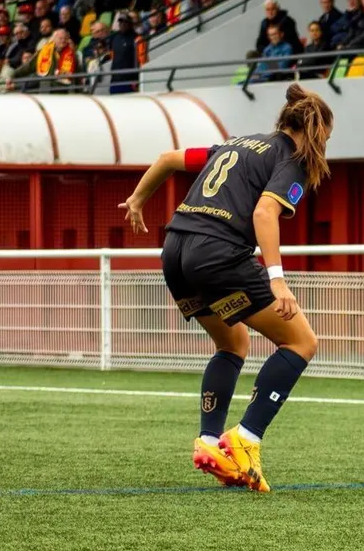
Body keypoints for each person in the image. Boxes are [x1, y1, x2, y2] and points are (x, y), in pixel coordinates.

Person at [117, 84, 333, 492]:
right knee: (302, 341)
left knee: (233, 343)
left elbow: (167, 159)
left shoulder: (236, 144)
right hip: (217, 253)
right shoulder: (292, 157)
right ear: (315, 131)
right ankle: (245, 438)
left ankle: (210, 441)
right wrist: (278, 279)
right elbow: (265, 211)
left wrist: (136, 199)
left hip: (175, 251)